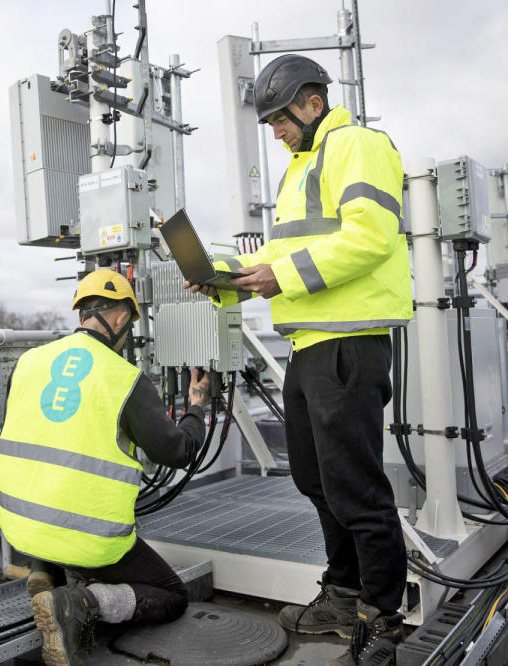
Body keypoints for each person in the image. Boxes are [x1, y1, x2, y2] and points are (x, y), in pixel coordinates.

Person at [184, 54, 412, 666]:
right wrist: (225, 281)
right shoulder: (300, 170)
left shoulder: (358, 145)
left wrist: (278, 274)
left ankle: (383, 616)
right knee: (316, 481)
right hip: (310, 344)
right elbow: (281, 263)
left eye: (280, 119)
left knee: (357, 488)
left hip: (348, 343)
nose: (275, 131)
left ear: (313, 103)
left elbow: (369, 237)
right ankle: (342, 593)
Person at [0, 268, 211, 666]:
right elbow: (177, 451)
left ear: (82, 316)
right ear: (119, 319)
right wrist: (196, 406)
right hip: (84, 537)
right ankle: (80, 604)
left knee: (55, 504)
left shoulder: (27, 362)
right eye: (129, 324)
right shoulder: (123, 378)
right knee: (172, 595)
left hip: (19, 531)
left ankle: (45, 569)